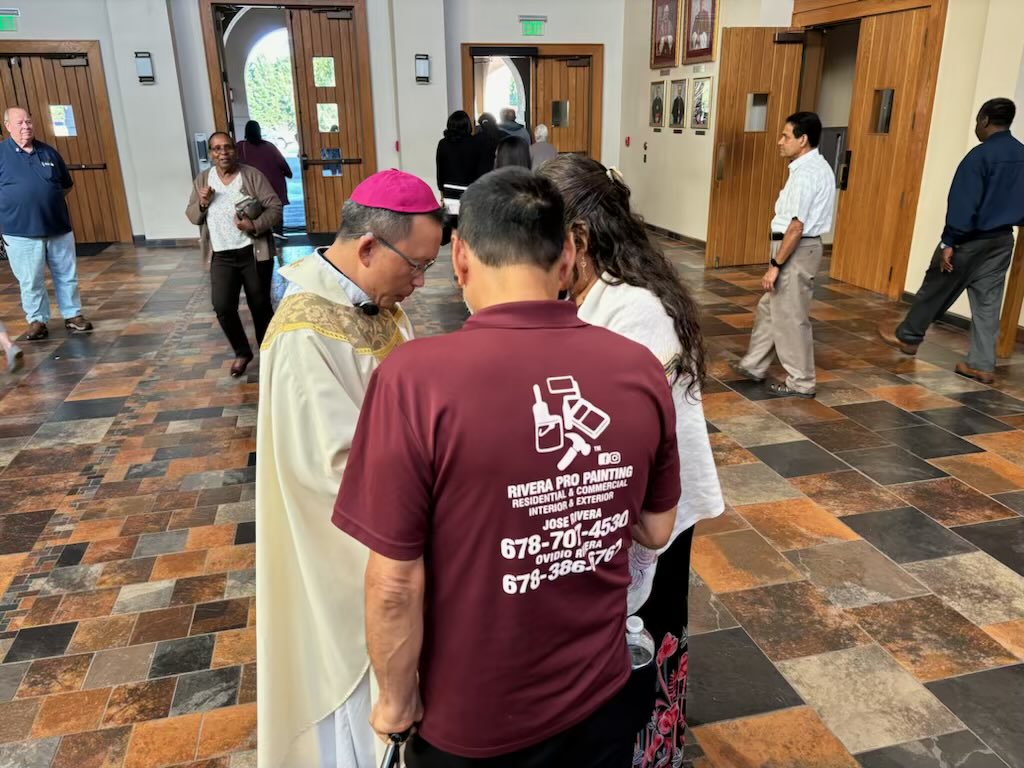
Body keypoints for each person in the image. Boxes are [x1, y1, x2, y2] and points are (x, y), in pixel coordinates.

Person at [333, 167, 681, 767]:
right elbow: (655, 529)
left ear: (461, 256)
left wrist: (394, 701)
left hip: (474, 714)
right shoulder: (638, 368)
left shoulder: (417, 379)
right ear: (569, 254)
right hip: (599, 693)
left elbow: (394, 581)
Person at [256, 169, 444, 768]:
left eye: (428, 268)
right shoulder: (304, 331)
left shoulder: (378, 304)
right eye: (415, 266)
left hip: (400, 525)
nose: (418, 283)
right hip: (345, 553)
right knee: (359, 695)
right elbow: (332, 468)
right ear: (367, 247)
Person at [539, 155, 724, 766]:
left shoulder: (634, 311)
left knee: (653, 626)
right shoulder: (595, 295)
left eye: (544, 241)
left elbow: (629, 437)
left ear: (581, 240)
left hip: (654, 508)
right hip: (632, 501)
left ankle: (652, 748)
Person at [879, 98, 1024, 383]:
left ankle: (908, 337)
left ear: (983, 120)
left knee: (935, 286)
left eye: (977, 122)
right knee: (988, 304)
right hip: (1003, 240)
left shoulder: (979, 157)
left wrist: (949, 242)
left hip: (969, 240)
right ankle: (981, 364)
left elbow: (963, 203)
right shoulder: (1022, 155)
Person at [731, 112, 836, 398]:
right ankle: (754, 364)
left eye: (786, 136)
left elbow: (796, 226)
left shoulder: (806, 175)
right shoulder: (814, 167)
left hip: (795, 249)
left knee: (791, 316)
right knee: (770, 308)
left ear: (802, 140)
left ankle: (801, 381)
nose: (780, 141)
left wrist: (775, 265)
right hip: (797, 247)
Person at [186, 131, 282, 378]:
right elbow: (192, 216)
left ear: (234, 150)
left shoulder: (251, 176)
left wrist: (255, 226)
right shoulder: (203, 180)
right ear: (211, 154)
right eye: (217, 149)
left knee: (260, 306)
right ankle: (242, 352)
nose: (223, 153)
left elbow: (275, 207)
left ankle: (269, 354)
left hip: (252, 253)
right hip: (221, 255)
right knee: (222, 306)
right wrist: (202, 203)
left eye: (227, 147)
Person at [0, 106, 92, 340]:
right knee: (31, 279)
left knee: (66, 274)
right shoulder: (1, 154)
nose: (26, 127)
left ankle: (72, 315)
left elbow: (66, 186)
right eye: (19, 123)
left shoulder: (49, 153)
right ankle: (37, 320)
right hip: (19, 231)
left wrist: (44, 200)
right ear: (7, 126)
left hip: (58, 228)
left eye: (28, 122)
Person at [236, 120, 293, 229]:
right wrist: (288, 174)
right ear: (259, 131)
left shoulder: (240, 147)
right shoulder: (269, 146)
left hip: (254, 189)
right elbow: (283, 165)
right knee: (275, 214)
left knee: (256, 216)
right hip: (275, 186)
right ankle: (278, 235)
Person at [435, 110, 482, 195]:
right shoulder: (475, 142)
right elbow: (479, 168)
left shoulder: (443, 143)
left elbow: (440, 168)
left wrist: (441, 188)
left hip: (449, 189)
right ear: (467, 125)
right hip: (470, 190)